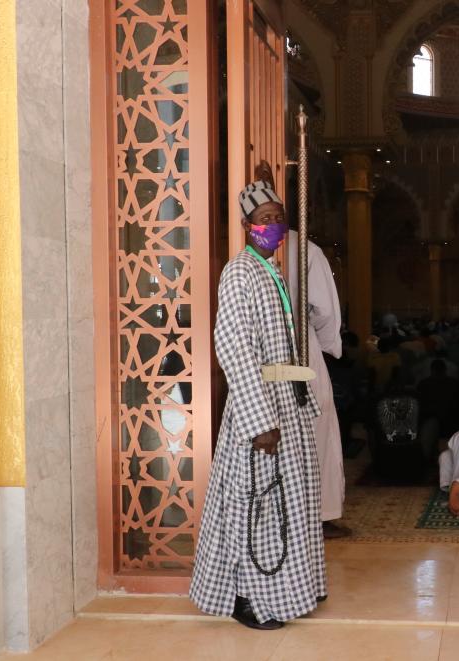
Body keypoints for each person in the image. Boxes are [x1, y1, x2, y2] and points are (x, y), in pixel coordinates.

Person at [190, 180, 326, 631]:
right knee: (257, 508)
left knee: (285, 508)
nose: (274, 225)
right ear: (247, 226)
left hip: (284, 403)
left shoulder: (272, 272)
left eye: (278, 217)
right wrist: (260, 422)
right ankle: (248, 598)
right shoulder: (239, 272)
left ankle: (288, 591)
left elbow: (278, 353)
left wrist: (302, 388)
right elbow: (233, 348)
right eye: (264, 218)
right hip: (261, 414)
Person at [285, 230, 350, 539]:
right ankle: (319, 514)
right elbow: (325, 311)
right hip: (301, 351)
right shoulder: (305, 250)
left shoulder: (236, 247)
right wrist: (325, 346)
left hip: (266, 352)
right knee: (316, 431)